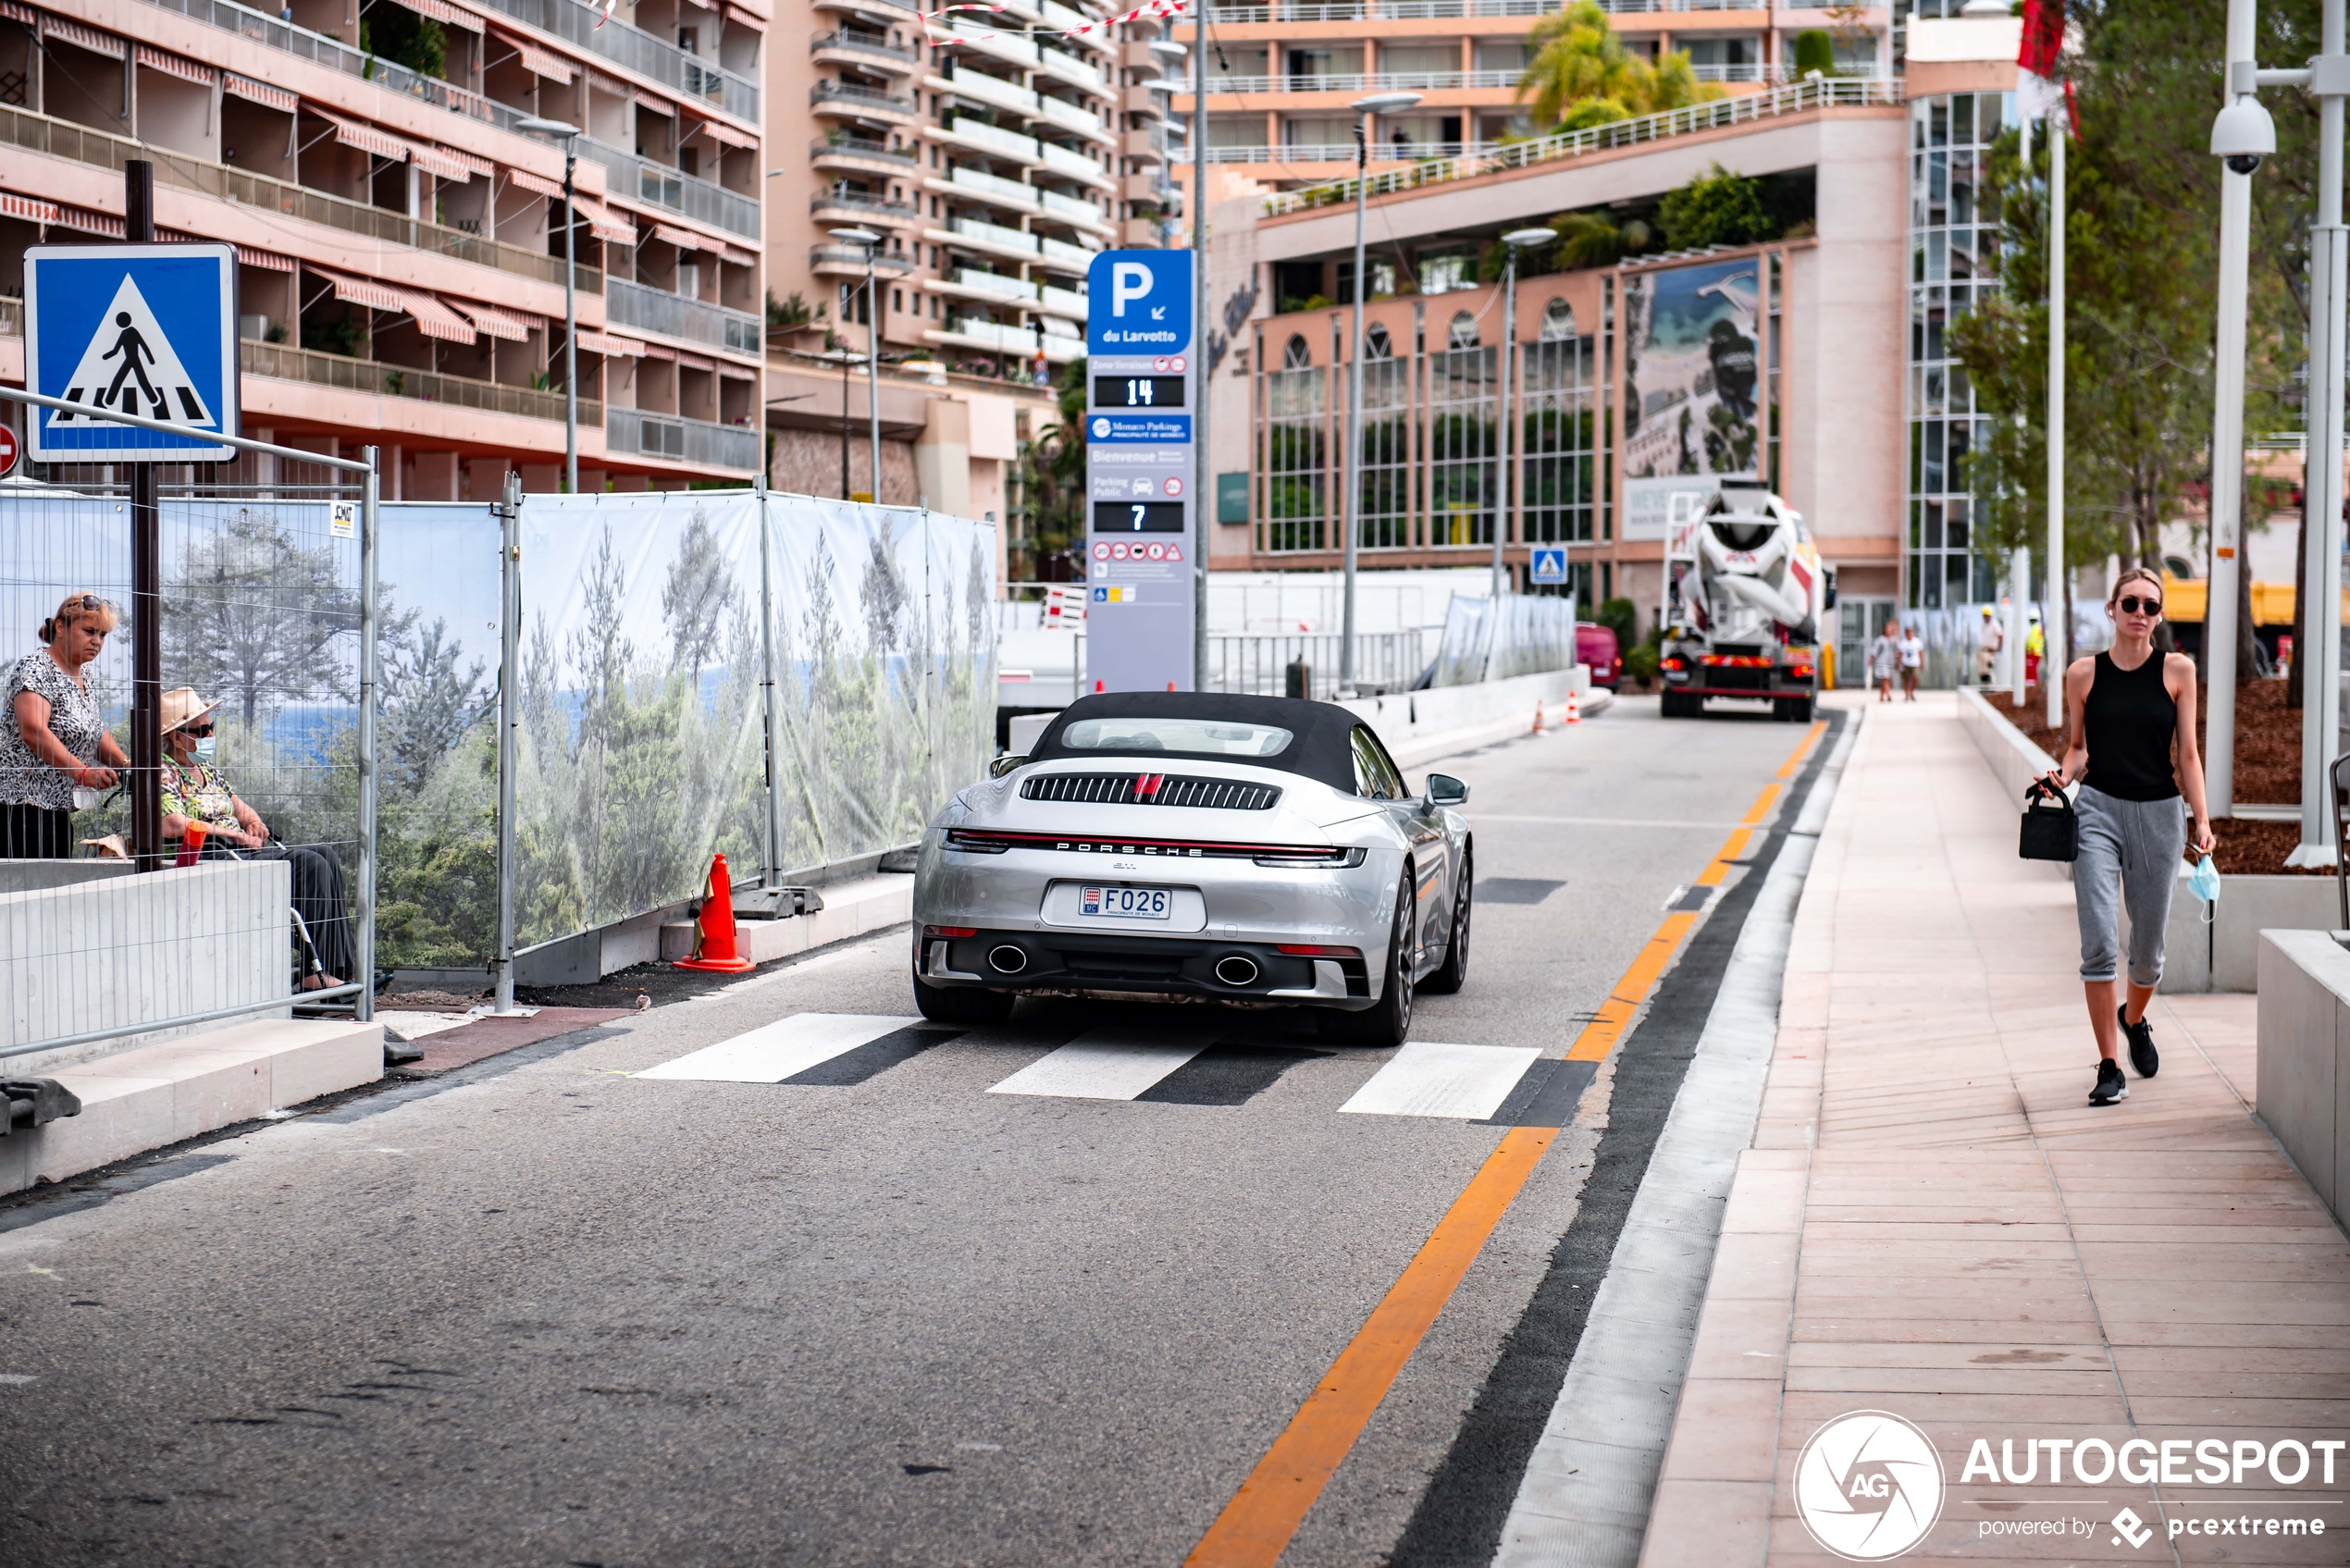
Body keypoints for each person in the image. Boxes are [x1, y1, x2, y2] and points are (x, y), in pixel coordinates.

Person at [2043, 567, 2216, 1107]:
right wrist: (2061, 776)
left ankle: (2133, 1018)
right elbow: (2077, 748)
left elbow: (2187, 755)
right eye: (2130, 603)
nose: (2140, 612)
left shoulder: (2178, 672)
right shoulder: (2082, 675)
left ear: (2159, 617)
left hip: (2161, 817)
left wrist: (2203, 821)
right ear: (2112, 610)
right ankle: (2108, 1065)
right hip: (2097, 812)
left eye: (2150, 606)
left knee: (2147, 954)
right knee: (2097, 943)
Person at [157, 686, 355, 990]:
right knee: (310, 864)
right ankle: (316, 975)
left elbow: (237, 804)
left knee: (325, 853)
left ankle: (335, 968)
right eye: (204, 729)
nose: (211, 735)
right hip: (213, 856)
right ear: (177, 736)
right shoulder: (164, 771)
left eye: (212, 728)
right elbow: (171, 824)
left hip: (238, 850)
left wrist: (253, 821)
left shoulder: (206, 769)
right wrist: (233, 834)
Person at [0, 592, 132, 858]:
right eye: (89, 631)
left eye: (102, 635)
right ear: (60, 627)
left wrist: (128, 766)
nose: (97, 641)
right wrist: (84, 773)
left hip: (57, 810)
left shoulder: (84, 674)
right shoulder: (36, 668)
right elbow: (34, 731)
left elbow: (92, 730)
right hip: (19, 810)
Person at [1870, 619, 1900, 703]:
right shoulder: (1880, 639)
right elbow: (1874, 651)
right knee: (1886, 678)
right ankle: (1888, 694)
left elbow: (1897, 649)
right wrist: (1871, 661)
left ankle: (1881, 696)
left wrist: (1896, 638)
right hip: (1881, 661)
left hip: (1890, 661)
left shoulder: (1893, 640)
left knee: (1886, 679)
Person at [1899, 623, 1924, 700]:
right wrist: (1899, 663)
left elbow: (1920, 653)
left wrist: (1922, 662)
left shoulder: (1917, 642)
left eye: (1911, 632)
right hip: (1905, 663)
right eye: (1908, 632)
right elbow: (1900, 654)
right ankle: (1906, 694)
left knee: (1915, 678)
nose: (1909, 633)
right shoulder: (1903, 643)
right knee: (1906, 679)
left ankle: (1912, 692)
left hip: (1915, 663)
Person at [1978, 606, 2004, 685]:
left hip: (1990, 651)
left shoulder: (1994, 624)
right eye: (1984, 616)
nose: (1985, 617)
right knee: (1983, 672)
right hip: (1983, 650)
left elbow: (2001, 636)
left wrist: (1996, 649)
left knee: (1989, 671)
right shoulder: (1985, 626)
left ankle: (1991, 689)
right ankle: (1984, 688)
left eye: (1987, 615)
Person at [2024, 613, 2045, 688]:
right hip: (2036, 652)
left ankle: (2031, 685)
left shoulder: (2035, 628)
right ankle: (2032, 684)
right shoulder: (2038, 628)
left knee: (2031, 669)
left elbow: (2031, 641)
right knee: (2033, 669)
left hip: (2032, 652)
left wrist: (2026, 647)